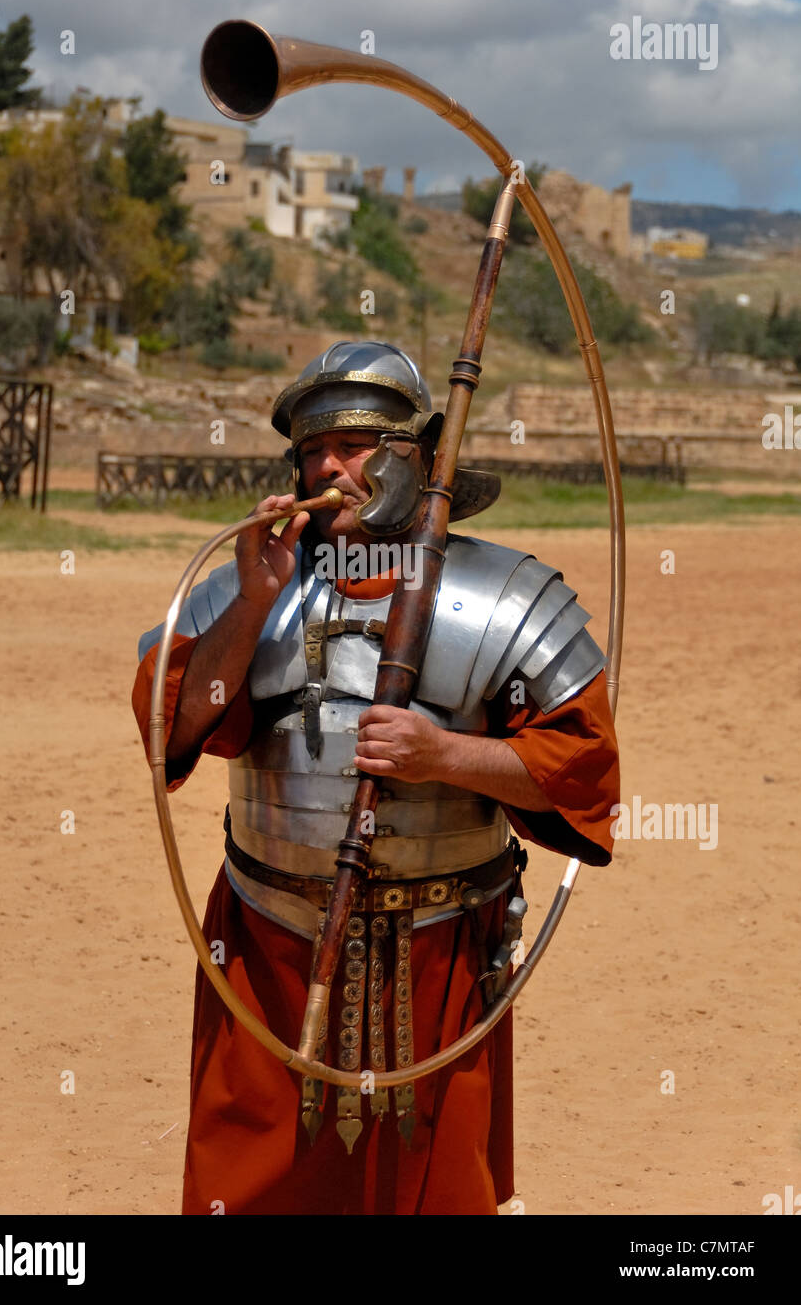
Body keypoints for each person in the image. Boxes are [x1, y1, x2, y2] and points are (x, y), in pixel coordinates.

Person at [132, 341, 620, 1216]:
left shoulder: (504, 597)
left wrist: (450, 756)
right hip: (270, 942)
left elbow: (583, 773)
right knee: (251, 1185)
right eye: (313, 450)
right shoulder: (250, 585)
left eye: (354, 446)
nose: (328, 466)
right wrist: (250, 605)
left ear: (415, 456)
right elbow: (175, 723)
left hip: (442, 944)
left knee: (434, 1187)